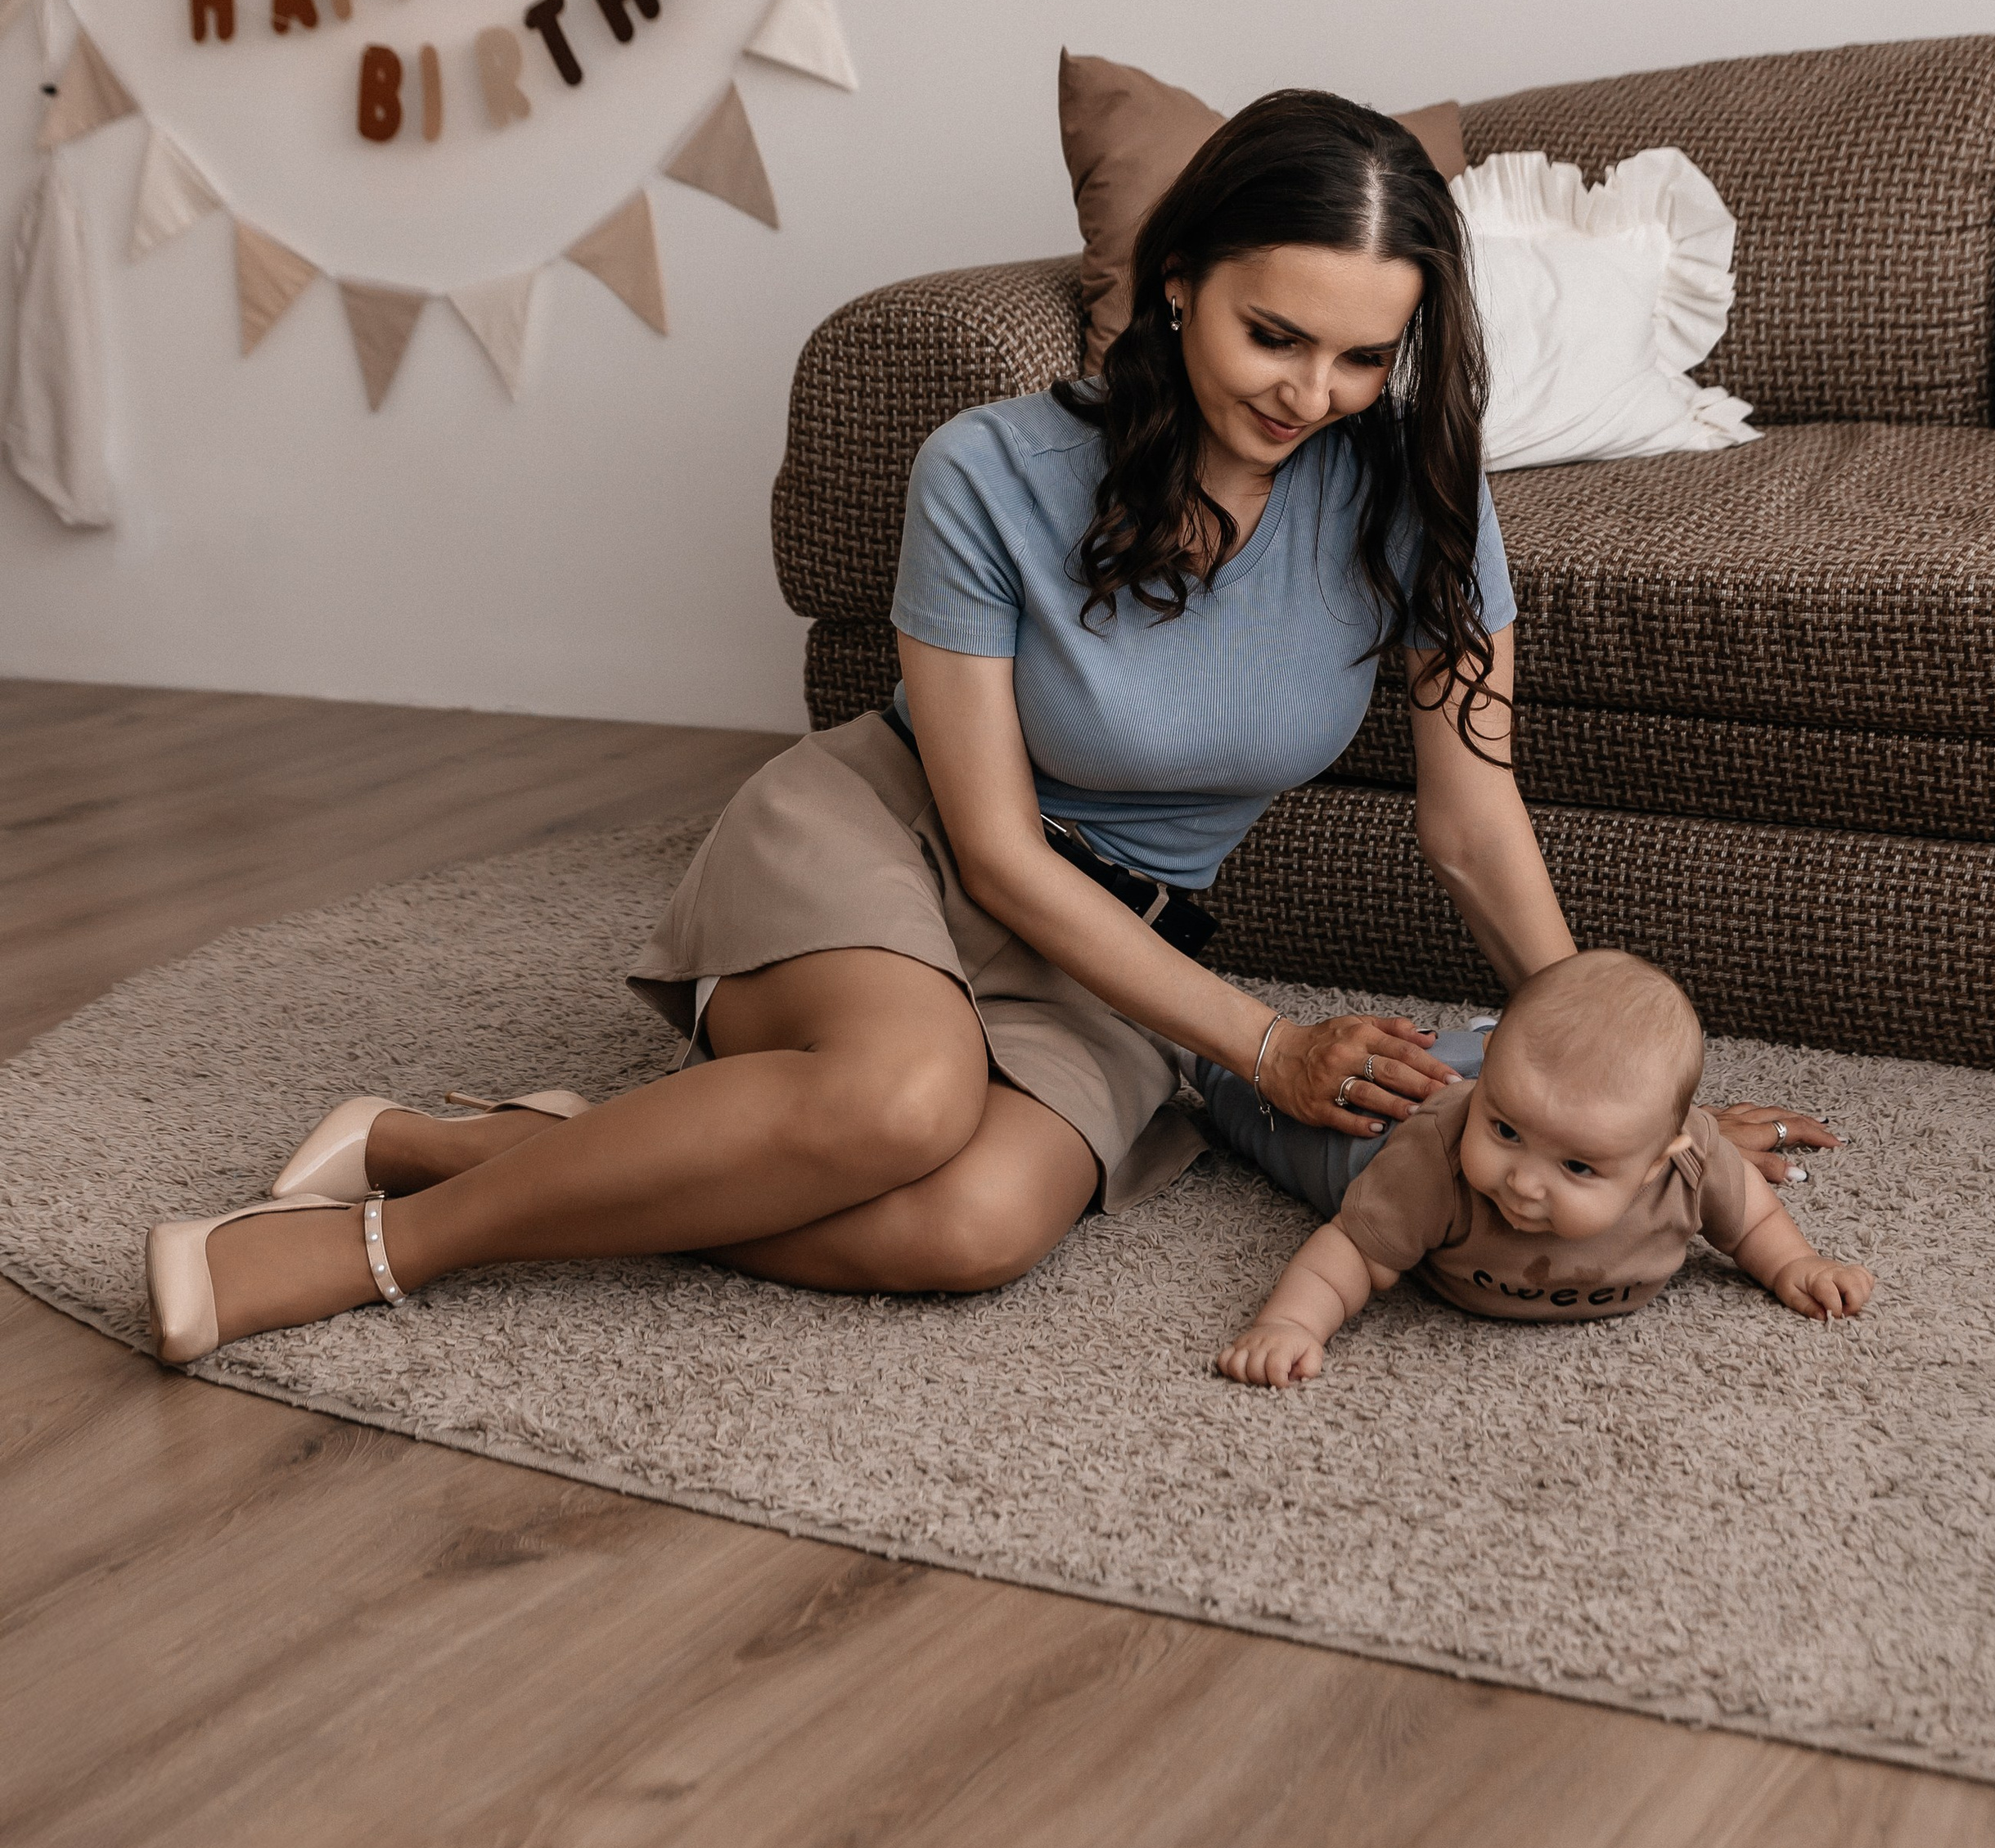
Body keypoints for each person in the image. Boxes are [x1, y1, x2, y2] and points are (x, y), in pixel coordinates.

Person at [144, 91, 1830, 1366]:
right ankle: (389, 1251)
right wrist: (1259, 1046)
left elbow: (1471, 824)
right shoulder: (987, 468)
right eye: (1270, 333)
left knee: (963, 1223)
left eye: (1357, 358)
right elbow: (997, 847)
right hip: (900, 842)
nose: (1305, 396)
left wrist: (1613, 1089)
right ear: (1177, 283)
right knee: (893, 1102)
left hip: (1119, 940)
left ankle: (497, 1144)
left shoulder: (1422, 510)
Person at [1214, 951, 1875, 1391]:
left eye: (1579, 1165)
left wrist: (1796, 1265)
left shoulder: (1696, 1158)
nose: (1524, 1182)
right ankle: (1191, 1058)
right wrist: (1290, 1325)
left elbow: (1753, 1218)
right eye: (1506, 1134)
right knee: (1259, 1116)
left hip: (1502, 1078)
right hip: (1381, 1139)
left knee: (1532, 1086)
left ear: (1658, 1161)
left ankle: (1487, 1056)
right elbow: (1349, 1254)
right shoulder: (1436, 1159)